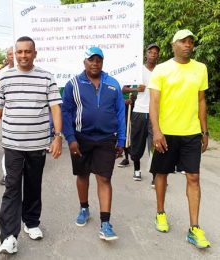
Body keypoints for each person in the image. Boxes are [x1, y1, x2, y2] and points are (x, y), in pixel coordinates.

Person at [0, 36, 62, 255]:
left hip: (37, 144)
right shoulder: (5, 78)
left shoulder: (47, 77)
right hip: (13, 144)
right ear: (15, 54)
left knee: (34, 186)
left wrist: (58, 136)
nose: (24, 55)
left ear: (35, 53)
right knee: (12, 187)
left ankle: (31, 222)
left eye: (28, 52)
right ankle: (8, 236)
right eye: (20, 52)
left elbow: (55, 107)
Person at [149, 29, 210, 248]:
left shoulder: (201, 68)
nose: (188, 45)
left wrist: (205, 131)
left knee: (193, 177)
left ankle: (194, 227)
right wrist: (156, 131)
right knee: (162, 173)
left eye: (191, 42)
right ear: (174, 44)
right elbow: (154, 103)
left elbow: (201, 100)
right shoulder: (161, 70)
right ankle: (160, 213)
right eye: (183, 41)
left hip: (191, 133)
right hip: (167, 133)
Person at [62, 47, 125, 241]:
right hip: (81, 138)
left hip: (106, 139)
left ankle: (105, 223)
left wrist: (122, 139)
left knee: (104, 179)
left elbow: (121, 113)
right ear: (85, 62)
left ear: (102, 62)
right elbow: (66, 112)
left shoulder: (113, 84)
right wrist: (70, 139)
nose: (95, 63)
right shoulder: (73, 84)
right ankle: (84, 208)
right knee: (82, 175)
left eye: (98, 60)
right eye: (91, 60)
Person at [122, 44, 160, 183]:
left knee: (154, 144)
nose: (153, 55)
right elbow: (123, 88)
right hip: (138, 111)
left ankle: (155, 176)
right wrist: (136, 90)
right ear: (146, 54)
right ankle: (136, 170)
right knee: (137, 143)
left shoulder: (160, 71)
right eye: (150, 52)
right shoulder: (137, 70)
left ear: (158, 56)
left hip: (154, 113)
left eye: (155, 53)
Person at [0, 46, 14, 185]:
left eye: (14, 53)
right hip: (7, 114)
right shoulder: (2, 73)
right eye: (9, 54)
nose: (12, 56)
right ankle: (6, 174)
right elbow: (0, 96)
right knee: (8, 146)